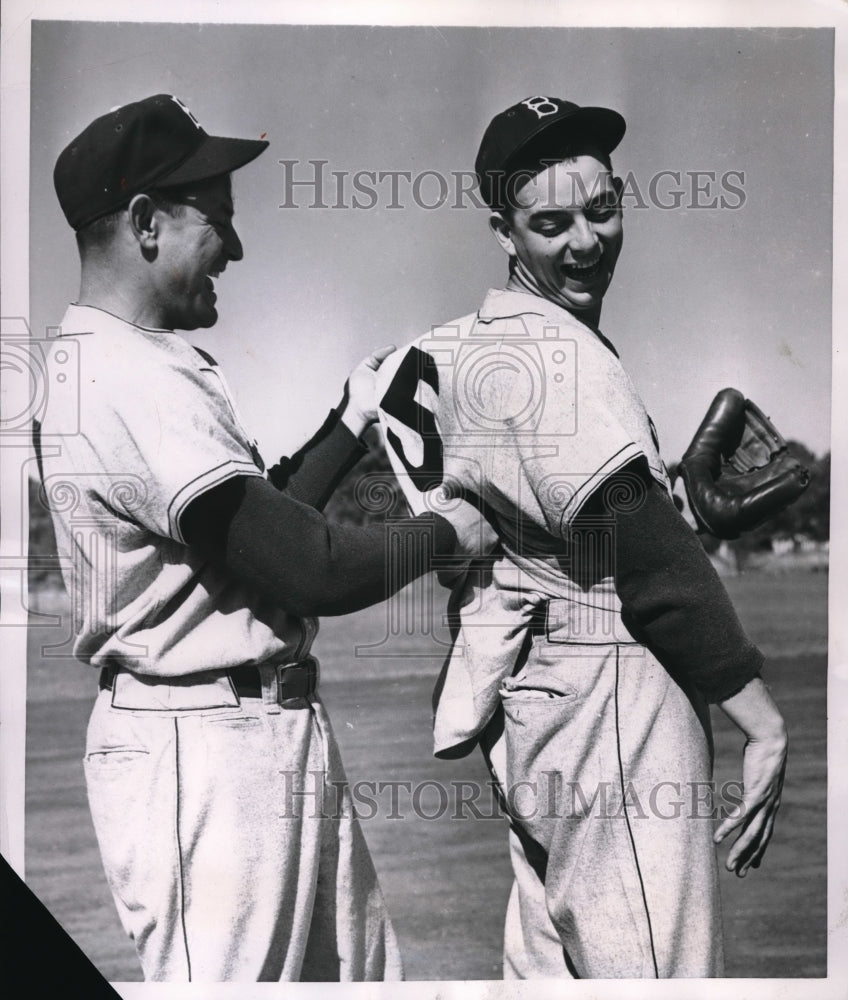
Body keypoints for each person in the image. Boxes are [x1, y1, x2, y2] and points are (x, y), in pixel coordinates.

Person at [37, 93, 472, 983]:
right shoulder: (121, 376)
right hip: (201, 749)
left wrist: (350, 420)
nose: (234, 249)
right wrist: (449, 529)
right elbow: (310, 569)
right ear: (146, 223)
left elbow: (256, 533)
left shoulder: (126, 362)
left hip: (247, 734)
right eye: (218, 219)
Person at [376, 97, 788, 978]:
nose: (586, 242)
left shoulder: (484, 342)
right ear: (503, 232)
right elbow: (646, 557)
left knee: (556, 970)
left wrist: (681, 505)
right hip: (608, 697)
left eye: (602, 211)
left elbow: (562, 527)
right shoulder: (551, 353)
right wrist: (762, 724)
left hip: (540, 700)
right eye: (551, 224)